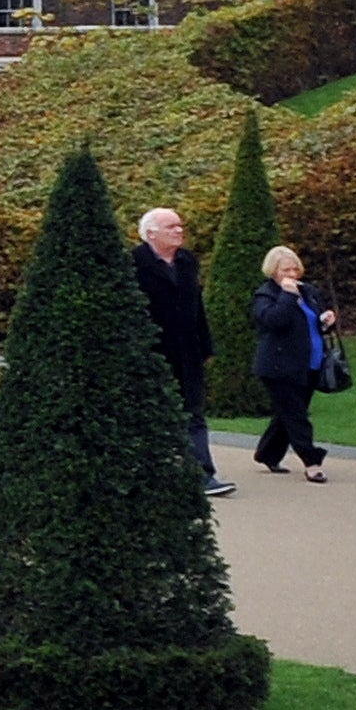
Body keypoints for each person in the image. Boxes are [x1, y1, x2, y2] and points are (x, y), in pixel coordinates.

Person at [130, 205, 234, 496]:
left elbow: (196, 306)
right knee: (150, 415)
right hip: (152, 353)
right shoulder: (132, 264)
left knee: (194, 414)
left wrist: (205, 344)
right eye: (171, 226)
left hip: (188, 352)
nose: (179, 230)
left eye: (180, 225)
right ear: (151, 234)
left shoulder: (188, 262)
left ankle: (203, 475)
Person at [251, 246, 336, 482]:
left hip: (309, 363)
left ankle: (267, 453)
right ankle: (312, 461)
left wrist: (326, 320)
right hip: (278, 366)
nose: (291, 274)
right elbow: (273, 321)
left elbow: (311, 324)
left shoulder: (309, 292)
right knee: (296, 414)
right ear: (273, 271)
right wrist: (287, 296)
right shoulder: (265, 295)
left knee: (286, 414)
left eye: (294, 268)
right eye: (285, 269)